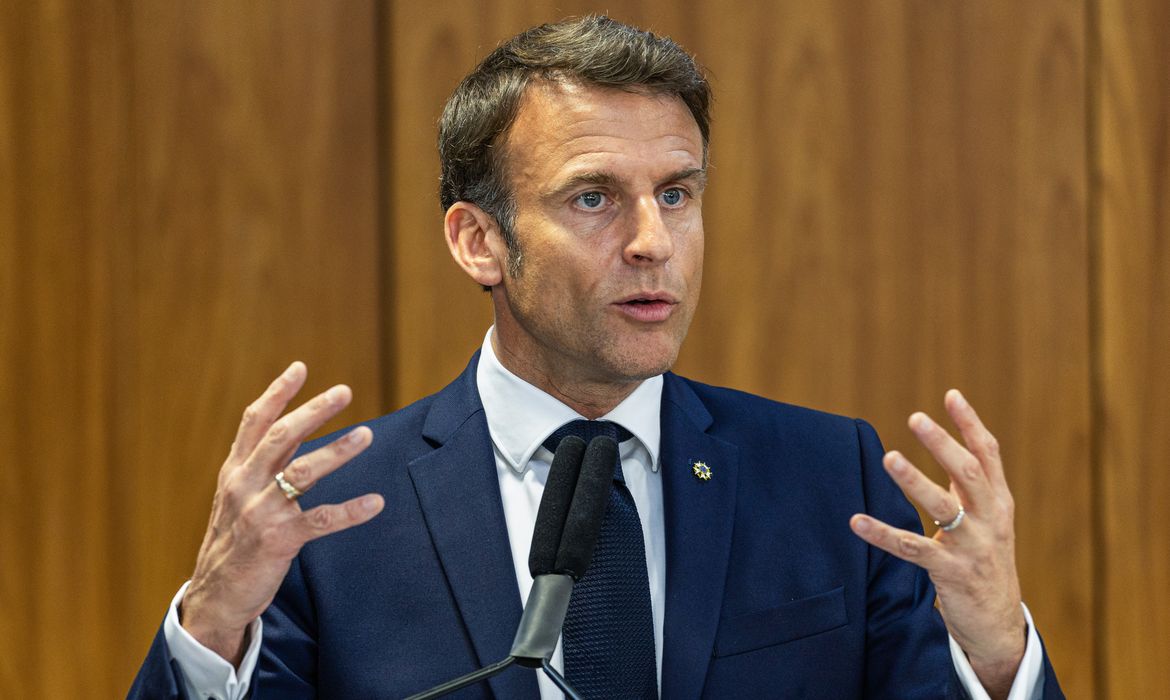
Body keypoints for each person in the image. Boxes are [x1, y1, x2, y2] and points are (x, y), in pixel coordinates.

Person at [131, 16, 1062, 699]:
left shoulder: (830, 480)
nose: (653, 240)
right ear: (477, 241)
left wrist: (994, 653)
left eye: (677, 193)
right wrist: (212, 623)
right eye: (592, 199)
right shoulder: (332, 519)